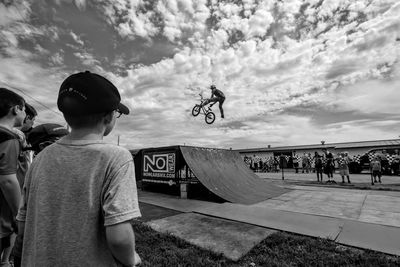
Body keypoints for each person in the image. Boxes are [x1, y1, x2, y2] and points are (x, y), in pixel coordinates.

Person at [16, 71, 142, 266]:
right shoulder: (117, 158)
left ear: (66, 115)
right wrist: (131, 258)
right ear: (108, 117)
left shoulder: (40, 160)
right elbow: (119, 237)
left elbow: (23, 225)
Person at [11, 123, 69, 267]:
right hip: (39, 248)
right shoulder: (40, 170)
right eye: (64, 141)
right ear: (44, 146)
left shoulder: (35, 167)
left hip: (29, 246)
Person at [0, 88, 26, 267]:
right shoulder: (8, 138)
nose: (25, 114)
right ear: (16, 109)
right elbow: (7, 180)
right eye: (24, 110)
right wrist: (19, 214)